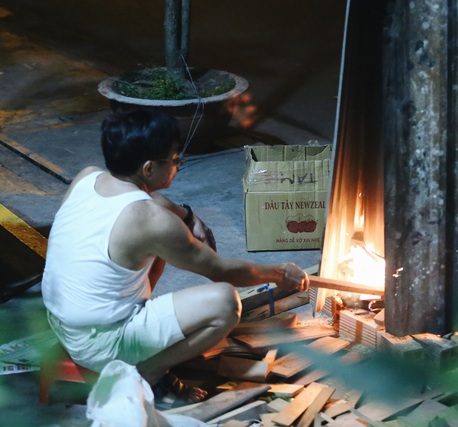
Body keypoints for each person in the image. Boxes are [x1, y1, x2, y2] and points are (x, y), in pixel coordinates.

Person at [41, 109, 310, 406]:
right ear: (148, 168)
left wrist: (186, 215)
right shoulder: (149, 221)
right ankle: (147, 373)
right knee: (225, 302)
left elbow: (145, 198)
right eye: (174, 160)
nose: (178, 165)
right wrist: (279, 273)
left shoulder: (87, 177)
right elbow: (222, 271)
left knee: (159, 244)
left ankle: (141, 353)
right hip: (102, 345)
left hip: (62, 323)